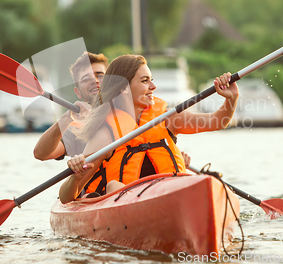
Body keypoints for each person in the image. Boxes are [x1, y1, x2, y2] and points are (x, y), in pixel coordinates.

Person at [59, 54, 238, 204]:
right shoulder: (106, 134)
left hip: (171, 196)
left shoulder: (168, 119)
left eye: (151, 80)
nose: (153, 87)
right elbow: (66, 197)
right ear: (124, 88)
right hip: (130, 204)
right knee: (114, 185)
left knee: (200, 181)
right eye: (145, 81)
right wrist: (76, 175)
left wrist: (231, 99)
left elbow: (218, 121)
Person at [33, 52, 108, 161]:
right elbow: (41, 154)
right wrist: (67, 117)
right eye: (86, 79)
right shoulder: (76, 130)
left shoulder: (131, 111)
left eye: (100, 75)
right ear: (78, 93)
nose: (95, 81)